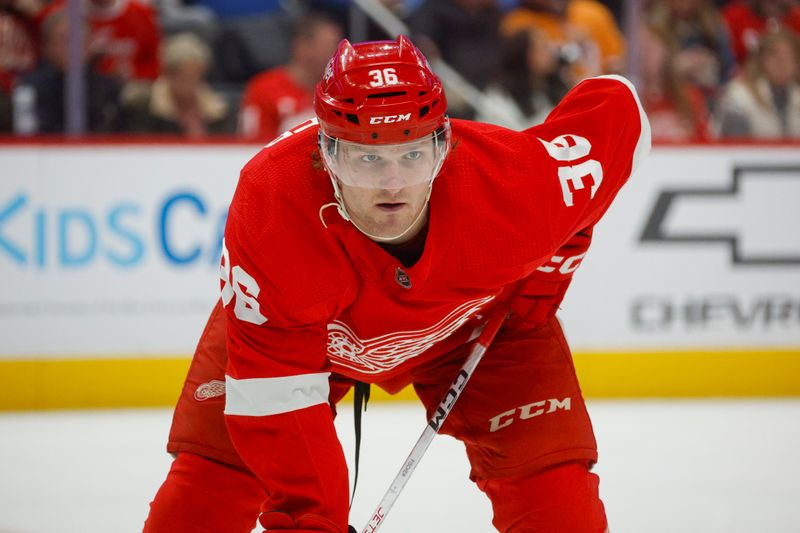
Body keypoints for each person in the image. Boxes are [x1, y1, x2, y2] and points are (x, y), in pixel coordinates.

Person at [144, 35, 650, 533]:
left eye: (413, 156)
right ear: (325, 152)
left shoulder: (510, 184)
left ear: (443, 145)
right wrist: (311, 521)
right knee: (201, 500)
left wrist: (549, 270)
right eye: (366, 158)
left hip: (473, 327)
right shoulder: (273, 205)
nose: (392, 184)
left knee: (561, 510)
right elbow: (277, 406)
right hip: (308, 337)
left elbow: (620, 108)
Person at [238, 11, 343, 142]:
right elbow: (251, 145)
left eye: (337, 45)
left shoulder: (343, 89)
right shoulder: (264, 88)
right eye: (327, 45)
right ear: (302, 46)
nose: (336, 53)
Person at [121, 32, 233, 137]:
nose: (190, 85)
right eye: (184, 78)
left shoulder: (217, 110)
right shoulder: (142, 106)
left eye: (196, 78)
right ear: (168, 75)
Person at [716, 28, 800, 139]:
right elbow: (735, 146)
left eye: (790, 57)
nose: (783, 63)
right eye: (775, 56)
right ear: (761, 59)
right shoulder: (739, 96)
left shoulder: (796, 94)